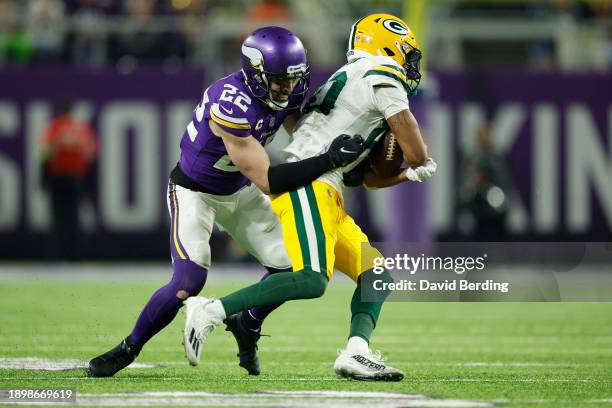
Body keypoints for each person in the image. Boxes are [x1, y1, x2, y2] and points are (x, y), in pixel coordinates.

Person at [88, 26, 364, 377]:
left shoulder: (289, 91)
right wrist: (330, 160)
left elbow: (304, 137)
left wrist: (348, 159)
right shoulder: (231, 101)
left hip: (239, 191)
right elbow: (268, 180)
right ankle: (128, 348)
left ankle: (246, 322)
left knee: (292, 269)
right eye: (279, 79)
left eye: (294, 78)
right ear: (255, 73)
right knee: (188, 281)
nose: (289, 87)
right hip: (196, 193)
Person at [183, 13, 437, 381]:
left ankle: (356, 352)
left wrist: (406, 173)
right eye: (407, 55)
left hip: (326, 187)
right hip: (309, 184)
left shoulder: (349, 78)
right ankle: (211, 310)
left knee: (377, 275)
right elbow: (411, 140)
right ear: (386, 47)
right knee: (312, 279)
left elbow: (361, 179)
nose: (411, 65)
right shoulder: (382, 73)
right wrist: (419, 161)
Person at [40, 100, 97, 261]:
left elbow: (45, 153)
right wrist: (89, 182)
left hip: (57, 178)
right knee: (75, 218)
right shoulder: (81, 129)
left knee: (57, 219)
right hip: (76, 179)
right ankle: (76, 255)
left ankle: (56, 255)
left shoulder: (54, 127)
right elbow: (90, 155)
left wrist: (43, 178)